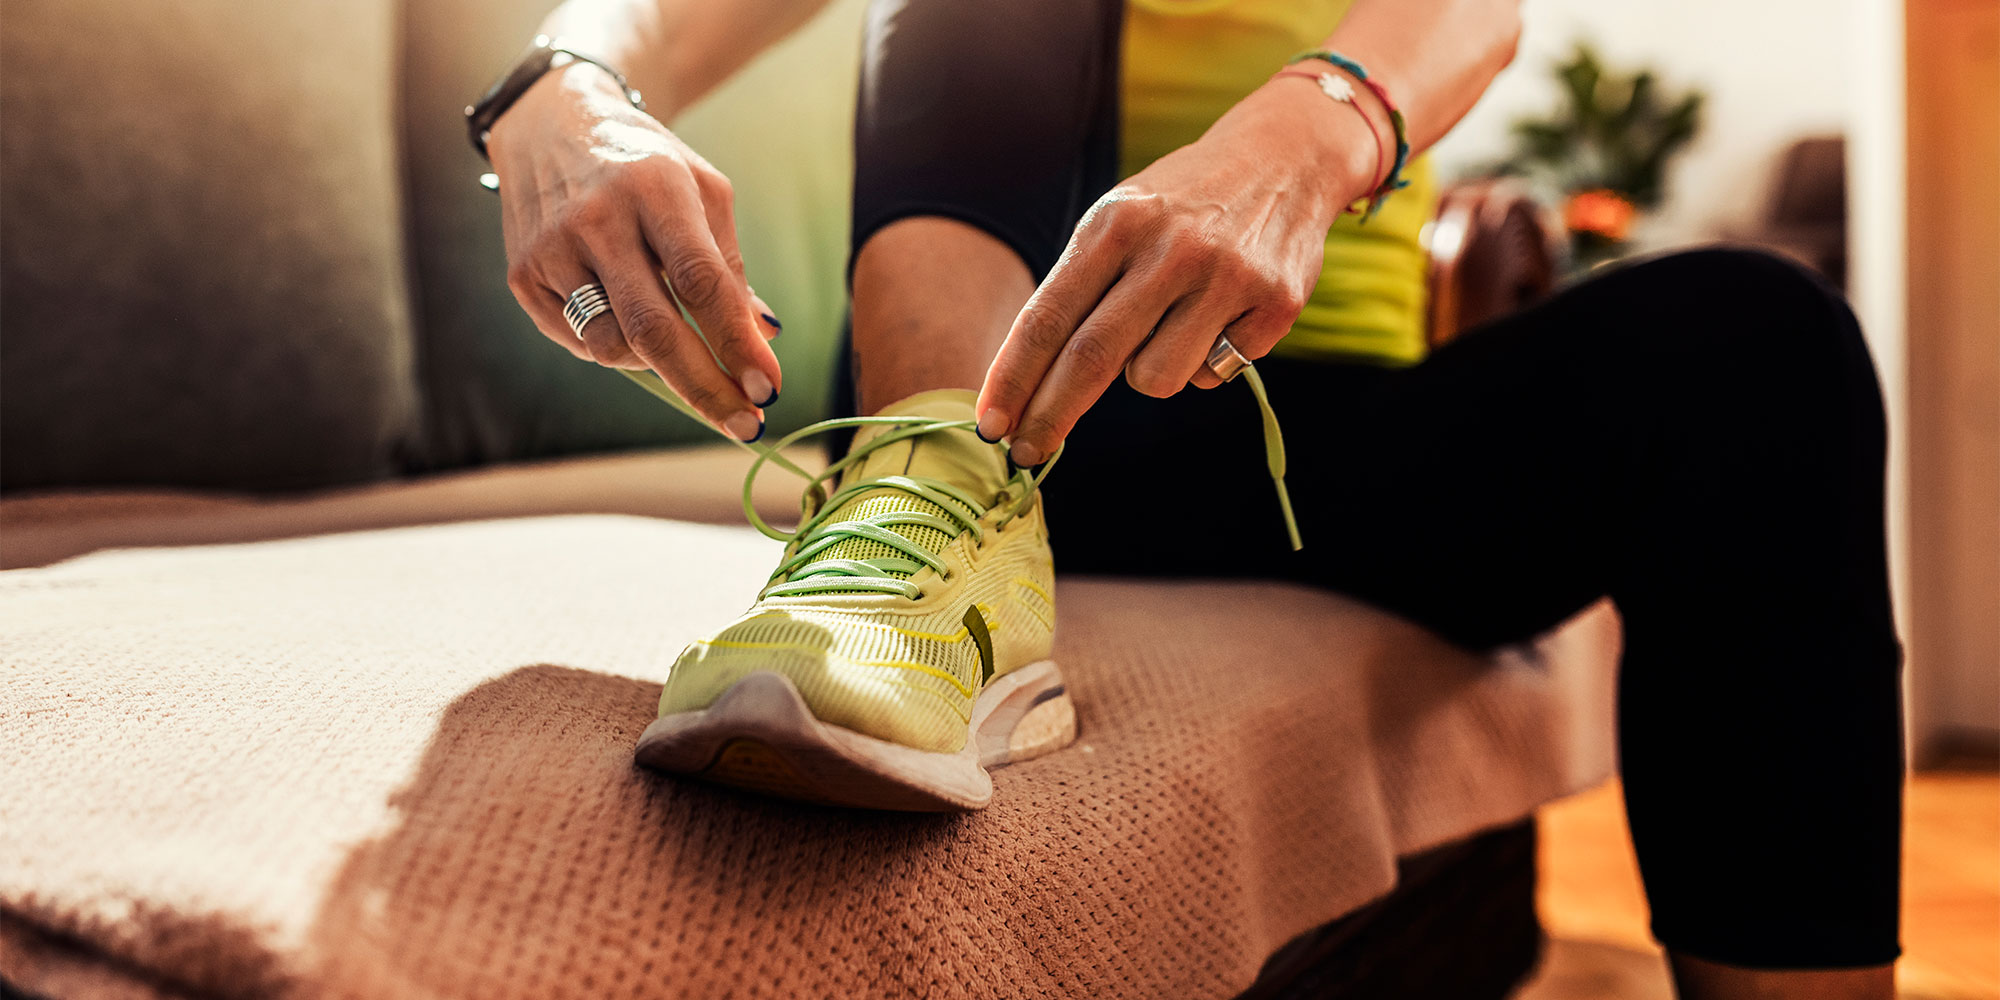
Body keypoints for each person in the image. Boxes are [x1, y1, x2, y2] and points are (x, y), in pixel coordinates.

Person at [476, 0, 1903, 994]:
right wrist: (558, 91)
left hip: (1313, 444)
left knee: (1762, 350)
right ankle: (930, 511)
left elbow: (1468, 6)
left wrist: (1302, 135)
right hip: (1015, 414)